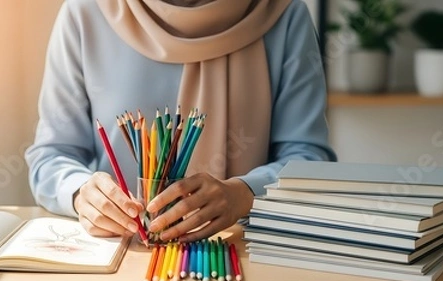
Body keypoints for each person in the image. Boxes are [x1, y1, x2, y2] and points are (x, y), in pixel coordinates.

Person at [25, 0, 337, 244]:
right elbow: (51, 156)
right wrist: (83, 194)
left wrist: (244, 194)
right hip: (122, 259)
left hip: (243, 252)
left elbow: (309, 160)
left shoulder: (286, 16)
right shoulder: (85, 13)